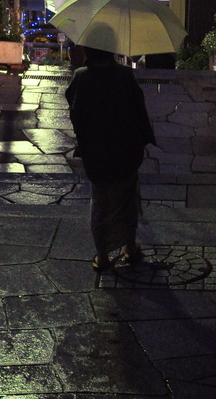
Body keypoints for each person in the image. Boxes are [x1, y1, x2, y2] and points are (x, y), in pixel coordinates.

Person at [66, 43, 155, 273]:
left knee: (101, 201)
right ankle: (129, 247)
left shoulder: (81, 77)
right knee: (127, 198)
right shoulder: (125, 74)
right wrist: (145, 137)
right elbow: (139, 108)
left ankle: (103, 255)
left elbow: (75, 113)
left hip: (97, 151)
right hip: (125, 148)